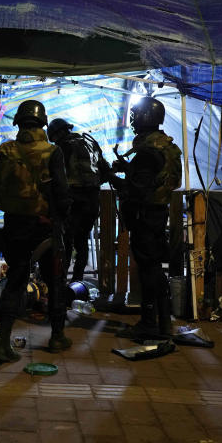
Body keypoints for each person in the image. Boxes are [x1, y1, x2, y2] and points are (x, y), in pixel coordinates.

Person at [0, 100, 72, 361]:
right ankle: (56, 337)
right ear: (43, 123)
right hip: (45, 229)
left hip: (14, 225)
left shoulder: (5, 151)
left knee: (15, 280)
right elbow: (63, 195)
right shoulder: (53, 152)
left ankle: (3, 341)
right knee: (54, 281)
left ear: (19, 123)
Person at [109, 96, 182, 341]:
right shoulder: (166, 146)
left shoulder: (148, 152)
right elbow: (155, 179)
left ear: (144, 118)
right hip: (157, 214)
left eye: (136, 116)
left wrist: (112, 177)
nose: (133, 120)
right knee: (155, 270)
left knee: (149, 271)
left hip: (144, 217)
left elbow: (137, 189)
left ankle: (150, 324)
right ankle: (163, 324)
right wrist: (128, 169)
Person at [47, 118, 112, 283]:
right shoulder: (90, 143)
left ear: (57, 134)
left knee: (66, 243)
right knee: (82, 242)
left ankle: (61, 285)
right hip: (92, 201)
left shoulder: (61, 148)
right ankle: (77, 282)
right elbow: (105, 173)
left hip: (72, 201)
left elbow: (55, 178)